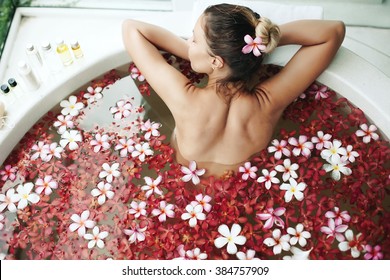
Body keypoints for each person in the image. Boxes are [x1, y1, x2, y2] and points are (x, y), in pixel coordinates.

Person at [122, 3, 345, 177]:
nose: (189, 41)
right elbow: (333, 32)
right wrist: (261, 41)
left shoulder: (184, 99)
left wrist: (194, 56)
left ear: (216, 61)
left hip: (187, 186)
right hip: (240, 191)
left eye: (195, 40)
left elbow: (132, 29)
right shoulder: (268, 103)